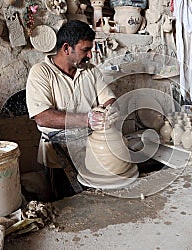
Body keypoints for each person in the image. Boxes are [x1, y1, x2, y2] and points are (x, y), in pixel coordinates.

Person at [26, 20, 117, 200]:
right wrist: (88, 119)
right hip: (58, 155)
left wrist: (110, 110)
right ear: (66, 48)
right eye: (85, 50)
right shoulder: (41, 72)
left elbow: (108, 98)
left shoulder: (90, 71)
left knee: (101, 202)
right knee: (71, 206)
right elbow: (42, 117)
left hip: (93, 148)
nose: (90, 55)